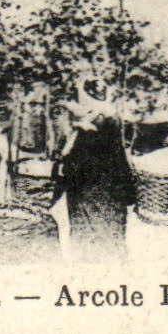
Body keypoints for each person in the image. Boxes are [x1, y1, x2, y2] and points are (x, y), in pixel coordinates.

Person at [52, 95, 136, 259]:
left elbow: (70, 171)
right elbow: (125, 173)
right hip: (112, 206)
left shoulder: (84, 138)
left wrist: (58, 169)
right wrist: (129, 198)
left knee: (88, 249)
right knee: (112, 247)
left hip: (87, 205)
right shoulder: (113, 138)